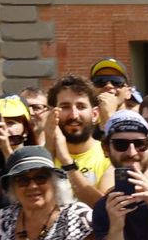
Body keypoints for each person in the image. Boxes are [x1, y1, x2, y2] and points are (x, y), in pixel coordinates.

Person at [43, 75, 112, 205]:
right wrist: (49, 150)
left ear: (95, 114)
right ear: (52, 114)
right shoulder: (41, 155)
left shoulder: (110, 155)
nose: (74, 115)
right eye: (65, 107)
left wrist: (67, 163)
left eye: (81, 107)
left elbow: (104, 209)